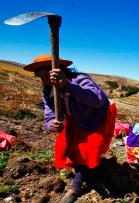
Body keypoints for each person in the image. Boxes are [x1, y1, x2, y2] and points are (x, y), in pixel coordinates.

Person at [23, 54, 117, 203]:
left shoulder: (79, 80)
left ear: (59, 70)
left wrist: (67, 85)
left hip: (97, 115)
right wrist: (50, 122)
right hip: (75, 117)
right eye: (41, 77)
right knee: (67, 145)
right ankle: (86, 173)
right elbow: (48, 112)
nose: (45, 81)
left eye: (47, 75)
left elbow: (96, 100)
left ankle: (76, 186)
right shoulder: (47, 90)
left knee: (88, 147)